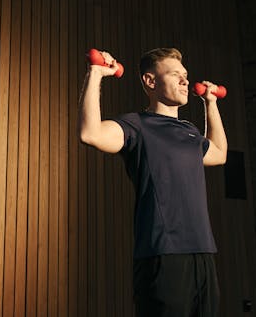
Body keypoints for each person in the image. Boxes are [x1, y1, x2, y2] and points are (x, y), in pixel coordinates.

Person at [78, 47, 227, 316]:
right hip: (163, 255)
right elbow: (91, 133)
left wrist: (211, 103)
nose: (184, 80)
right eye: (175, 75)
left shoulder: (190, 132)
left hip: (203, 253)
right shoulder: (137, 126)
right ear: (150, 81)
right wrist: (96, 73)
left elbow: (219, 154)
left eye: (185, 75)